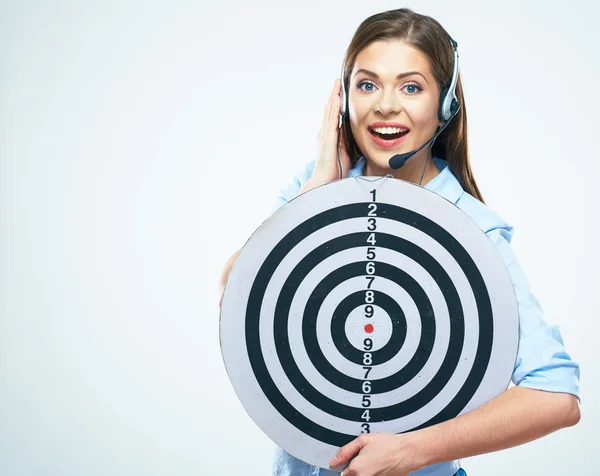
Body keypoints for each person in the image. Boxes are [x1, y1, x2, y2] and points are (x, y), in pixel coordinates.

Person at [218, 8, 581, 476]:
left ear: (446, 104)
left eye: (411, 86)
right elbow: (235, 289)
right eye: (367, 84)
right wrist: (317, 189)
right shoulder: (313, 192)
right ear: (344, 97)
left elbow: (555, 396)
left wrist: (414, 450)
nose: (386, 105)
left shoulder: (471, 231)